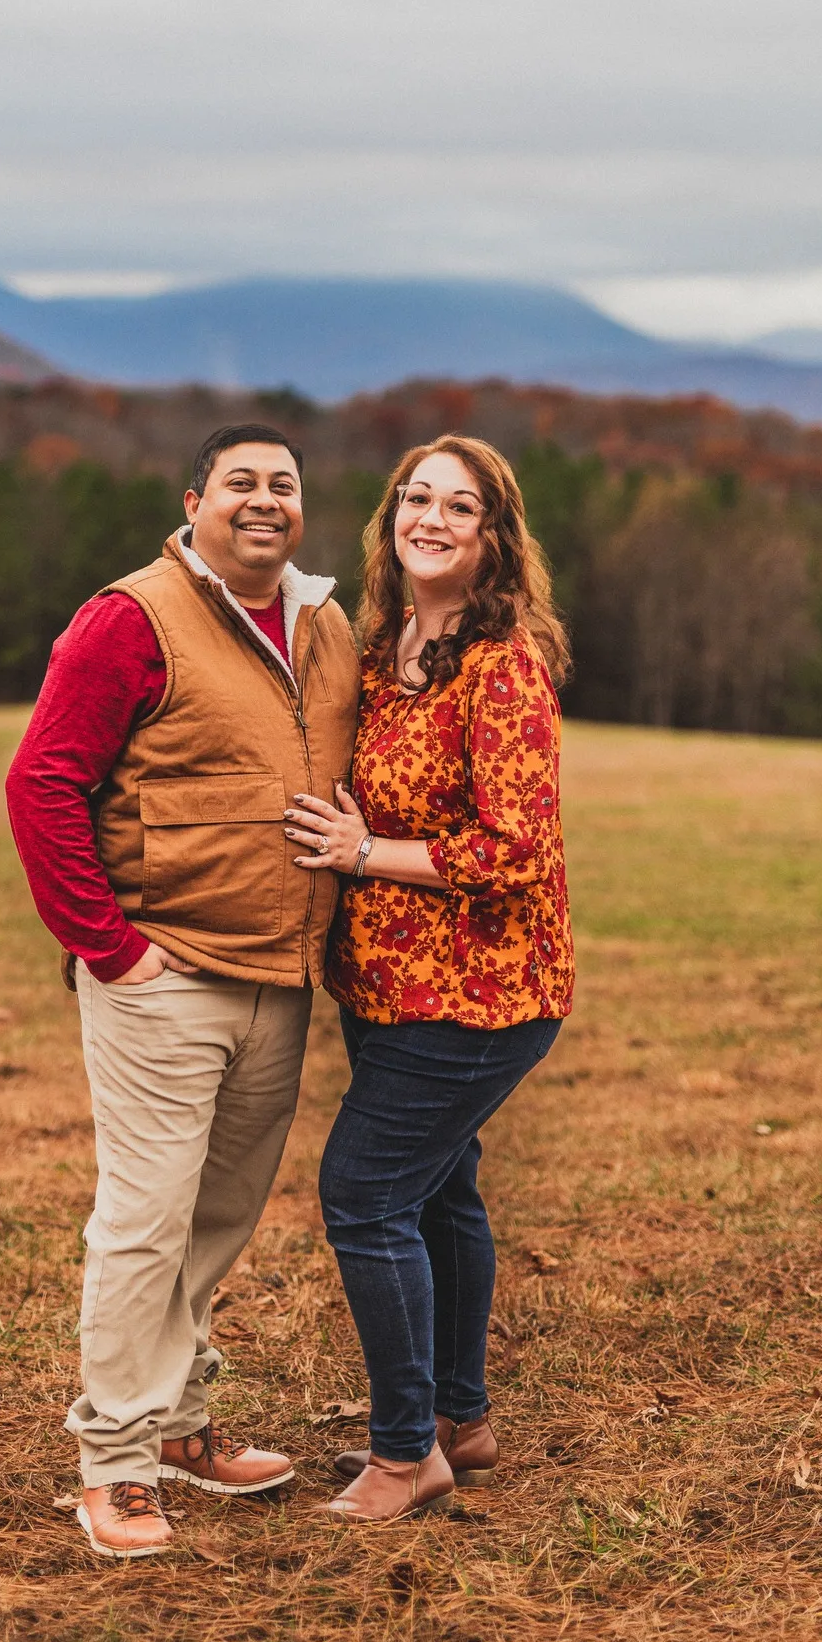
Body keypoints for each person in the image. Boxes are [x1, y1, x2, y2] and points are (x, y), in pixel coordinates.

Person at [6, 424, 358, 1560]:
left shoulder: (324, 622)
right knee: (148, 1217)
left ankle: (180, 1421)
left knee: (215, 1220)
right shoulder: (134, 615)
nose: (265, 500)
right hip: (164, 975)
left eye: (284, 484)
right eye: (241, 482)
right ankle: (113, 1458)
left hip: (281, 976)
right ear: (195, 498)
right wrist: (110, 948)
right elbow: (43, 781)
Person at [282, 433, 573, 1525]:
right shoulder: (380, 644)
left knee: (364, 1191)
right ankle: (462, 1415)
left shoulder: (504, 667)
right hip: (391, 984)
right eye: (416, 497)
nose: (432, 518)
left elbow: (513, 849)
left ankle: (407, 1453)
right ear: (391, 517)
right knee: (441, 1186)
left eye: (461, 505)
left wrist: (363, 855)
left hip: (483, 992)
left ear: (496, 537)